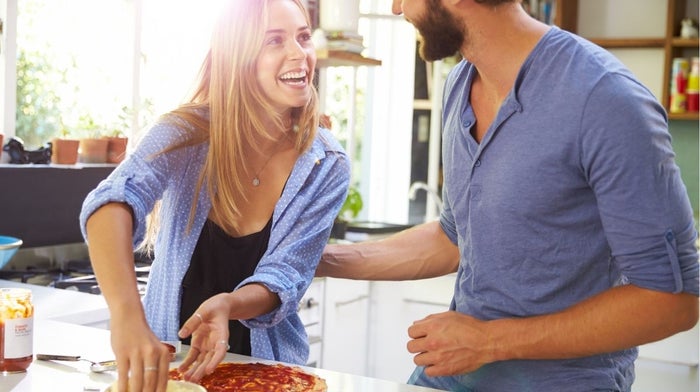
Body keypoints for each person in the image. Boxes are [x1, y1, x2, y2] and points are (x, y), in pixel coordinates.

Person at [318, 0, 699, 391]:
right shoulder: (460, 84)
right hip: (456, 375)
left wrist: (489, 342)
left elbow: (673, 301)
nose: (398, 8)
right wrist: (317, 259)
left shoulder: (606, 100)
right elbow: (454, 239)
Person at [80, 0, 350, 391]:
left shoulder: (326, 164)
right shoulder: (185, 134)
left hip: (267, 370)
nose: (300, 54)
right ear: (238, 57)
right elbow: (113, 201)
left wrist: (228, 305)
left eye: (303, 37)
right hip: (168, 363)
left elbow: (285, 276)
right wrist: (126, 316)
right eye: (275, 40)